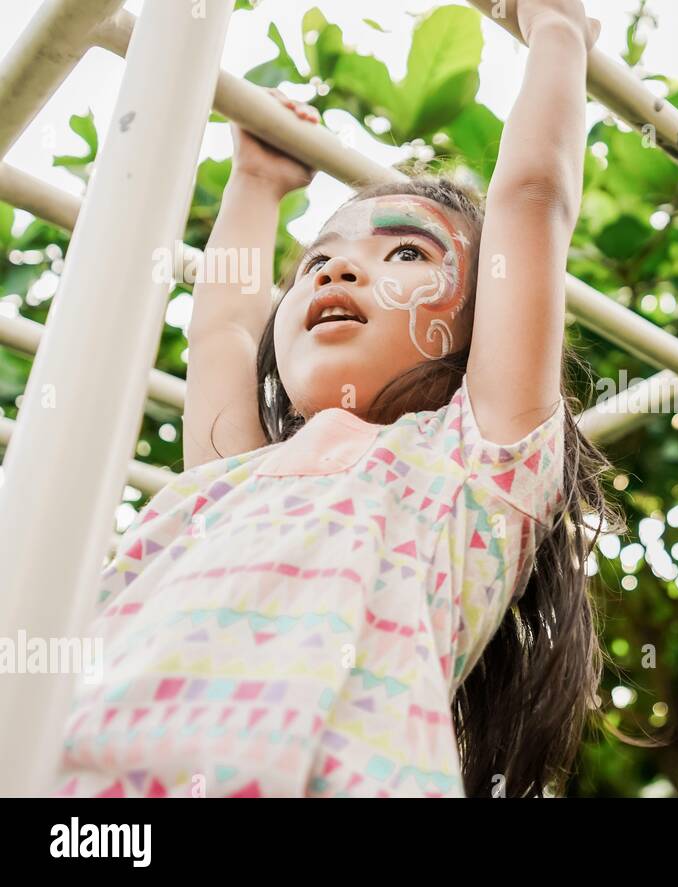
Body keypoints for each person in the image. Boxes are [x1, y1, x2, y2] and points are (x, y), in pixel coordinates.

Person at [54, 0, 616, 797]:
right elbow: (221, 330)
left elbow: (531, 200)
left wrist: (559, 34)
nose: (337, 270)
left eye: (407, 252)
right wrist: (257, 182)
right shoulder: (232, 475)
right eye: (317, 259)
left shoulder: (471, 473)